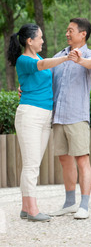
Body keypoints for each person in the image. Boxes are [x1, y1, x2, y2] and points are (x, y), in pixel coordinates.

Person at [7, 23, 78, 222]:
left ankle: (25, 206)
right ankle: (32, 209)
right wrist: (66, 57)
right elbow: (43, 66)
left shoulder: (37, 57)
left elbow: (41, 76)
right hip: (30, 114)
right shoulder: (24, 59)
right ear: (30, 41)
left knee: (33, 164)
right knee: (31, 165)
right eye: (40, 37)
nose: (42, 41)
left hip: (44, 115)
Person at [50, 18, 91, 220]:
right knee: (64, 159)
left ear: (83, 34)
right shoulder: (58, 56)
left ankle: (84, 205)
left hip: (77, 115)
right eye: (67, 30)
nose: (67, 33)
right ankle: (69, 203)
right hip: (58, 116)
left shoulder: (88, 54)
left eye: (71, 30)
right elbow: (46, 76)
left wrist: (79, 60)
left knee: (82, 159)